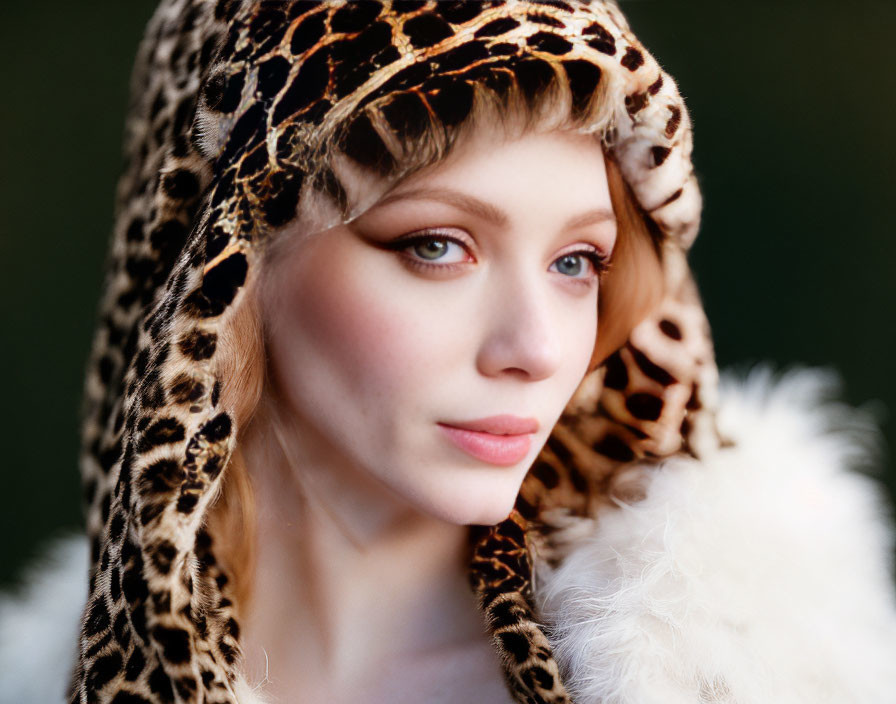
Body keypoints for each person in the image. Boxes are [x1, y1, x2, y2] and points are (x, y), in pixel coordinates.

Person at [3, 2, 896, 703]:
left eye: (577, 262)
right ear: (227, 272)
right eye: (437, 245)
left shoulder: (765, 668)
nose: (538, 349)